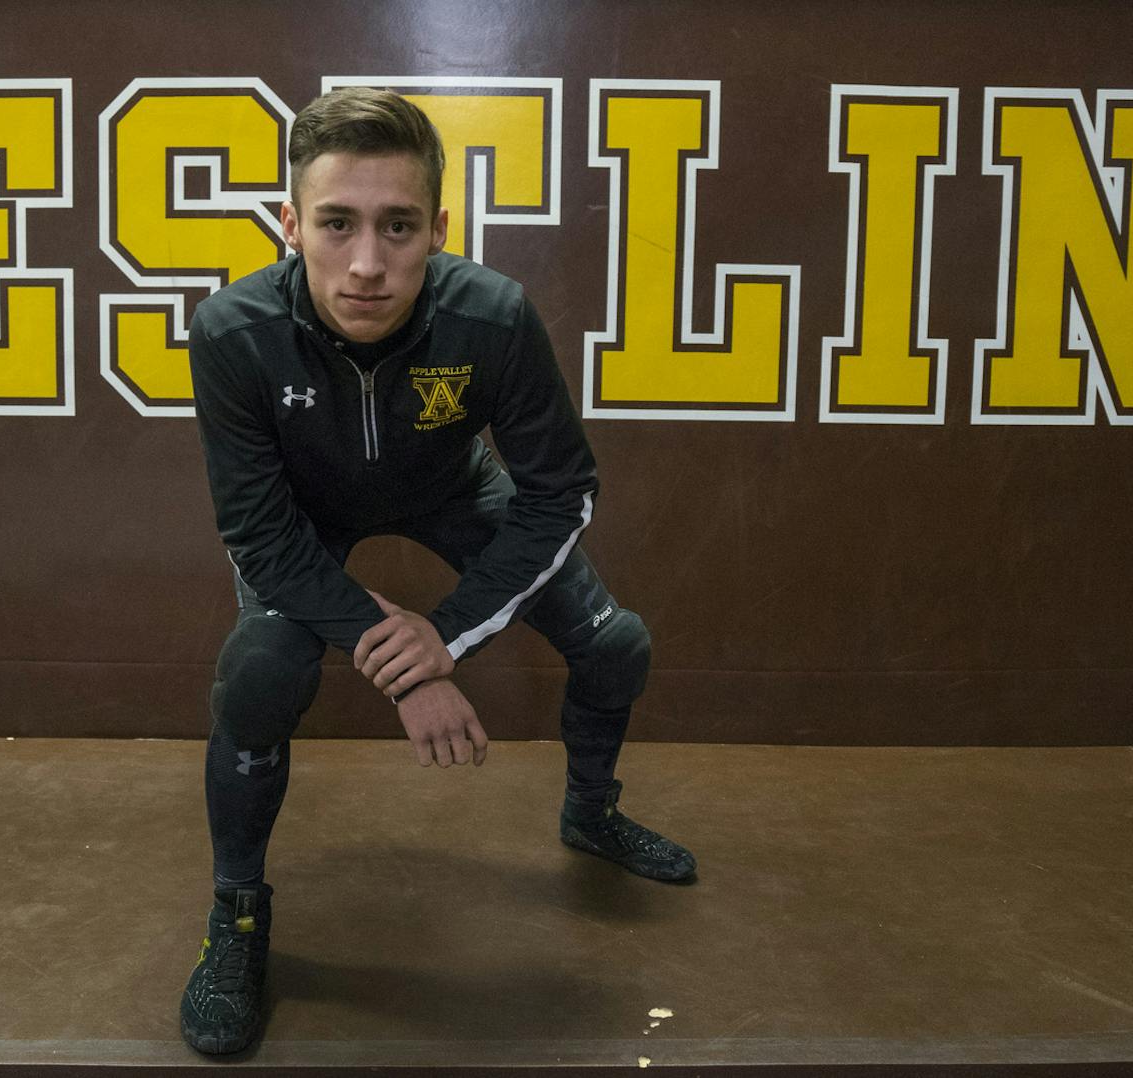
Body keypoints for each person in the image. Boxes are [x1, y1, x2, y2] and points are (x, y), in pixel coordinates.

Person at [178, 87, 695, 1056]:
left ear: (439, 229)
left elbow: (562, 490)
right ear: (289, 224)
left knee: (616, 644)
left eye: (398, 226)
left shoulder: (491, 317)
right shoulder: (232, 333)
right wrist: (407, 664)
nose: (367, 263)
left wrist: (442, 633)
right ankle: (237, 912)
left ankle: (592, 812)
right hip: (305, 518)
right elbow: (256, 532)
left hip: (454, 488)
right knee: (260, 671)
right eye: (335, 224)